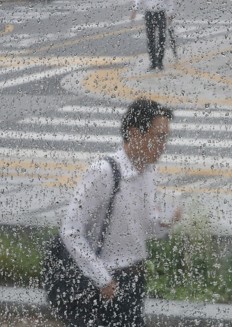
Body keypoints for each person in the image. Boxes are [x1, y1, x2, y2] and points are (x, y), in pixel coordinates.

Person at [59, 98, 180, 326]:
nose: (164, 145)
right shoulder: (104, 171)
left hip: (134, 280)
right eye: (159, 136)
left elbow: (142, 229)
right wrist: (102, 279)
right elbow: (70, 230)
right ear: (135, 133)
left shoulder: (148, 172)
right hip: (103, 284)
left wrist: (164, 223)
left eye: (166, 138)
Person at [131, 0, 175, 71]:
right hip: (149, 13)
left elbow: (169, 2)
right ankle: (153, 62)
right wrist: (135, 9)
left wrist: (170, 13)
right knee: (150, 38)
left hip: (161, 13)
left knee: (162, 37)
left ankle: (160, 62)